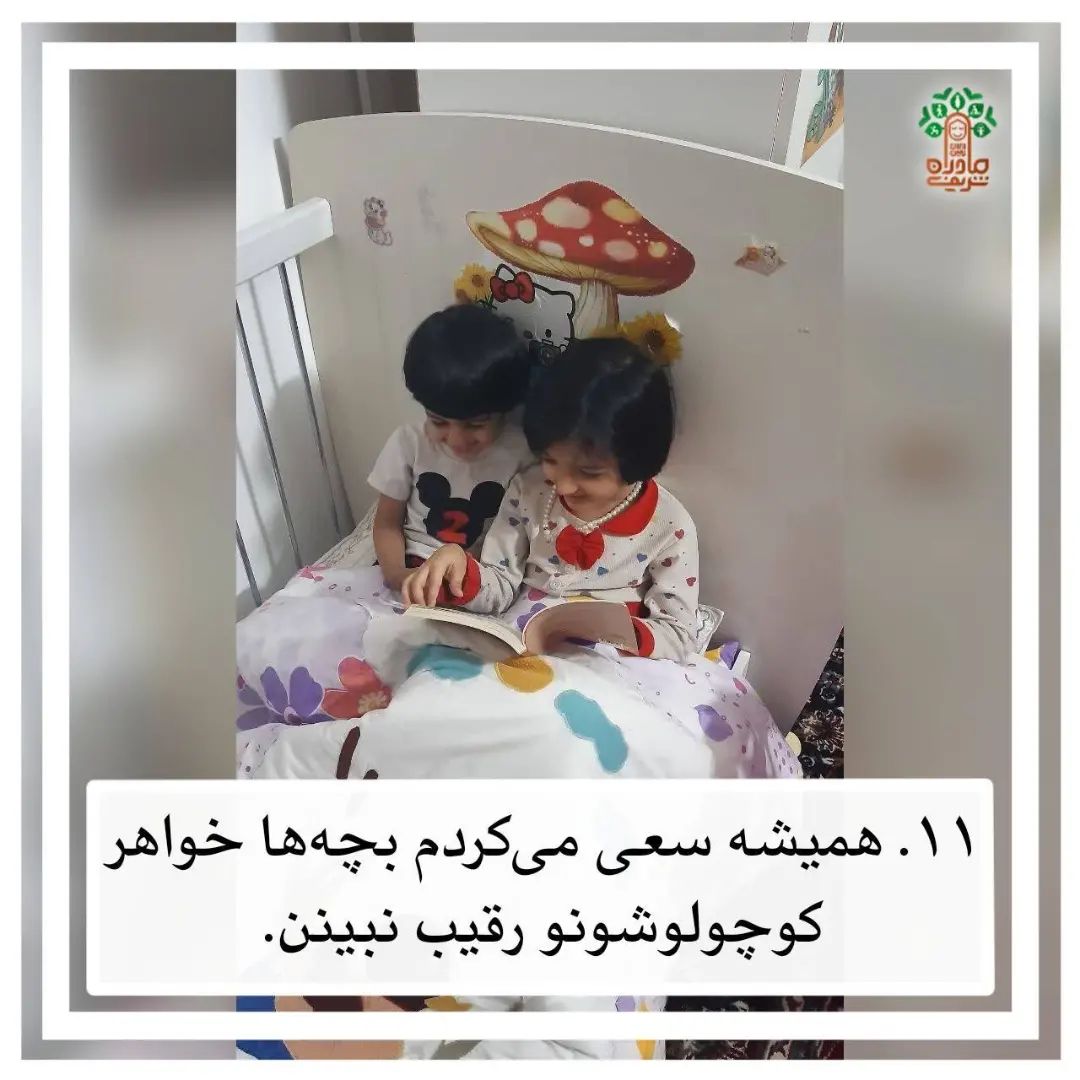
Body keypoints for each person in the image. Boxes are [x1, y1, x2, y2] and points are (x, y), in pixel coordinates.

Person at [402, 336, 700, 661]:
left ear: (640, 460)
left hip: (608, 660)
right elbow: (500, 586)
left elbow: (679, 635)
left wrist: (614, 631)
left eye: (589, 472)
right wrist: (460, 570)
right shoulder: (529, 490)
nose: (564, 486)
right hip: (520, 644)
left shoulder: (669, 525)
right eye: (550, 460)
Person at [368, 304, 534, 591]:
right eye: (438, 421)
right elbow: (386, 524)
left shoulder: (522, 454)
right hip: (413, 562)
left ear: (505, 411)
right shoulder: (409, 441)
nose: (457, 439)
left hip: (481, 576)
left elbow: (518, 541)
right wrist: (397, 574)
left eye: (475, 425)